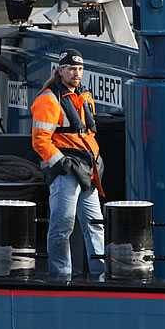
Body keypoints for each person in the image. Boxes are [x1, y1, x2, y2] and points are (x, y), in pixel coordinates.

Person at [31, 48, 105, 276]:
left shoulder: (83, 96)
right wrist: (63, 164)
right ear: (60, 70)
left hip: (87, 171)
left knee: (95, 225)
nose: (77, 73)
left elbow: (87, 134)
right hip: (66, 173)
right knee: (62, 228)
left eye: (80, 69)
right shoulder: (48, 100)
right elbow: (40, 141)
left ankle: (100, 275)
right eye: (72, 68)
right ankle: (60, 277)